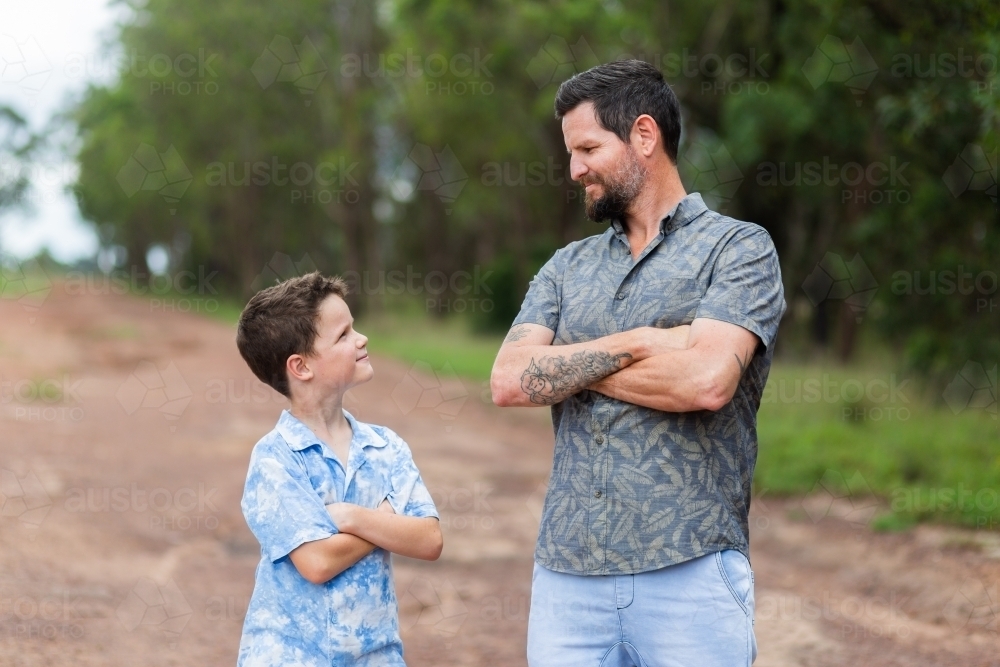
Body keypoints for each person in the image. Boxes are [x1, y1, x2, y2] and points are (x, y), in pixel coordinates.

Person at [490, 60, 786, 666]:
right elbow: (511, 379)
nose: (574, 169)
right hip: (566, 580)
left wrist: (571, 371)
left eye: (588, 148)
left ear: (644, 136)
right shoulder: (566, 266)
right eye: (571, 152)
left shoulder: (738, 249)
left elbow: (706, 382)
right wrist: (646, 341)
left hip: (691, 573)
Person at [234, 272, 443, 666]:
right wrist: (385, 522)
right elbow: (317, 563)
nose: (361, 338)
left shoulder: (385, 447)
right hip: (288, 656)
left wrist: (350, 517)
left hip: (375, 656)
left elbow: (428, 539)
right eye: (344, 335)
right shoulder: (275, 458)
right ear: (301, 367)